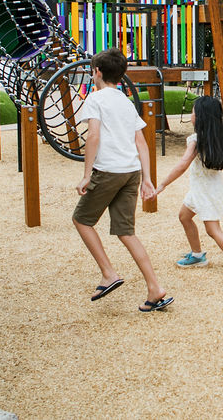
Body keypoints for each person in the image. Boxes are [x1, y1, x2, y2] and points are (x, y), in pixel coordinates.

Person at [73, 48, 174, 312]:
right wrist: (147, 179)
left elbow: (92, 136)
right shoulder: (124, 100)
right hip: (131, 172)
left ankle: (108, 273)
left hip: (108, 171)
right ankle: (155, 288)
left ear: (96, 72)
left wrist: (86, 174)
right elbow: (140, 141)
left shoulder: (95, 100)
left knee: (81, 220)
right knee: (126, 232)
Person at [154, 95, 223, 285]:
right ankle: (197, 254)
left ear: (200, 117)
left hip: (204, 192)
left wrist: (163, 184)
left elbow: (183, 164)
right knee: (184, 216)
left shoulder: (196, 140)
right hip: (203, 189)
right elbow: (222, 160)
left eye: (193, 111)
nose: (191, 114)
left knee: (213, 230)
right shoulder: (216, 138)